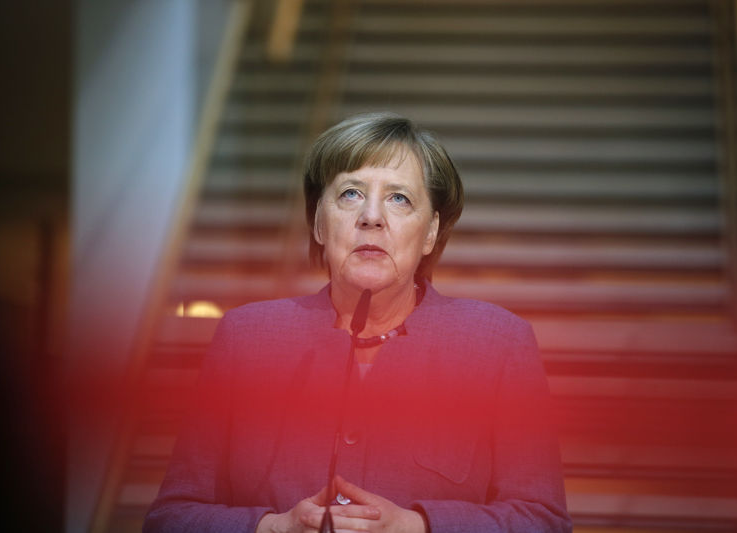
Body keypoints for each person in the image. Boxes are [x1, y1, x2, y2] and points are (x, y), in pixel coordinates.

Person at [144, 112, 571, 532]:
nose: (371, 216)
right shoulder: (245, 337)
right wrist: (272, 528)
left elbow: (544, 521)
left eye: (399, 198)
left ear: (429, 233)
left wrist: (418, 527)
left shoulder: (496, 343)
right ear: (318, 224)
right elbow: (171, 518)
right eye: (350, 193)